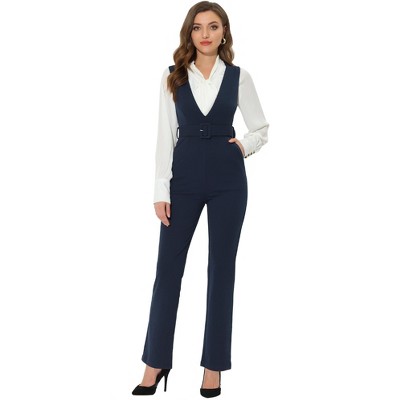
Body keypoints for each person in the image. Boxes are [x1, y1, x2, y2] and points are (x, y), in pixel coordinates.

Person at [132, 1, 269, 397]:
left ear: (224, 33)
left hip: (229, 181)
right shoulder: (172, 76)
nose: (205, 34)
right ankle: (155, 362)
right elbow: (165, 135)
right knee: (168, 271)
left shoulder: (239, 77)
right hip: (185, 179)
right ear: (189, 34)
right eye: (197, 27)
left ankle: (213, 367)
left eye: (212, 26)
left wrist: (242, 146)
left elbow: (261, 128)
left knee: (221, 271)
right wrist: (161, 190)